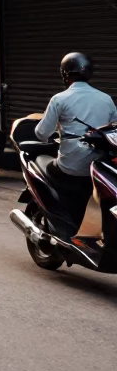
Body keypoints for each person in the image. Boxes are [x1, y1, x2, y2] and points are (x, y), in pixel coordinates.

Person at [35, 52, 117, 237]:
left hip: (71, 167)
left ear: (65, 74)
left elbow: (42, 133)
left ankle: (58, 218)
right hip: (100, 168)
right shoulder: (106, 99)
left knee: (49, 169)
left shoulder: (59, 99)